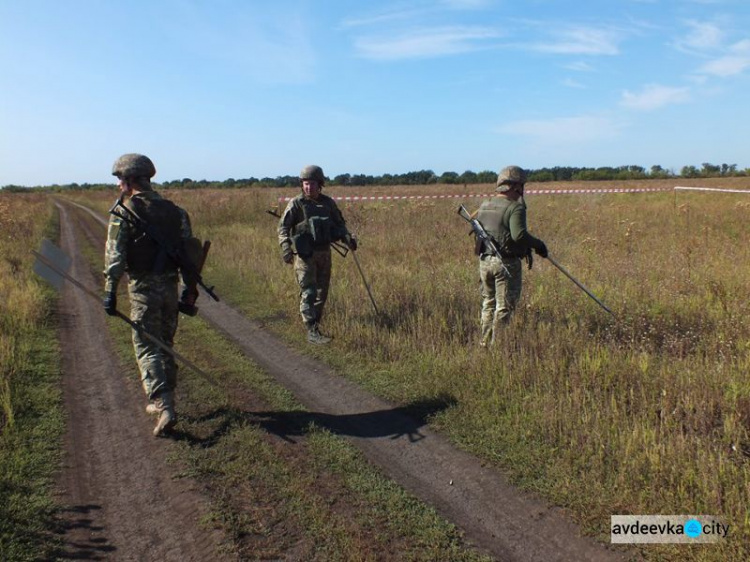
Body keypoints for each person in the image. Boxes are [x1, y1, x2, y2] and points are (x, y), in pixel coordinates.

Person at [103, 153, 199, 436]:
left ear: (130, 180)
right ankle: (167, 397)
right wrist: (188, 290)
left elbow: (115, 256)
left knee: (147, 346)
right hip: (170, 288)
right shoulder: (177, 211)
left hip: (144, 289)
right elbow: (189, 256)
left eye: (121, 179)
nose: (120, 185)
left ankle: (162, 403)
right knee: (166, 343)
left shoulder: (125, 211)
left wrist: (110, 290)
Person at [278, 165, 356, 344]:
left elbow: (339, 224)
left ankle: (316, 324)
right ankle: (311, 329)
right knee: (309, 291)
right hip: (305, 255)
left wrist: (348, 239)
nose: (308, 187)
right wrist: (285, 247)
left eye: (312, 183)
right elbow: (283, 227)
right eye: (305, 184)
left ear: (319, 184)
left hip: (324, 253)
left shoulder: (328, 203)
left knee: (322, 292)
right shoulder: (296, 204)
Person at [474, 165, 548, 347]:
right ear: (515, 186)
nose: (523, 190)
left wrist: (524, 250)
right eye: (522, 185)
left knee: (488, 304)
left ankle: (485, 343)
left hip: (484, 261)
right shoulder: (515, 208)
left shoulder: (485, 205)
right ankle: (497, 348)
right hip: (505, 264)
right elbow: (519, 235)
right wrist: (539, 245)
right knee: (504, 307)